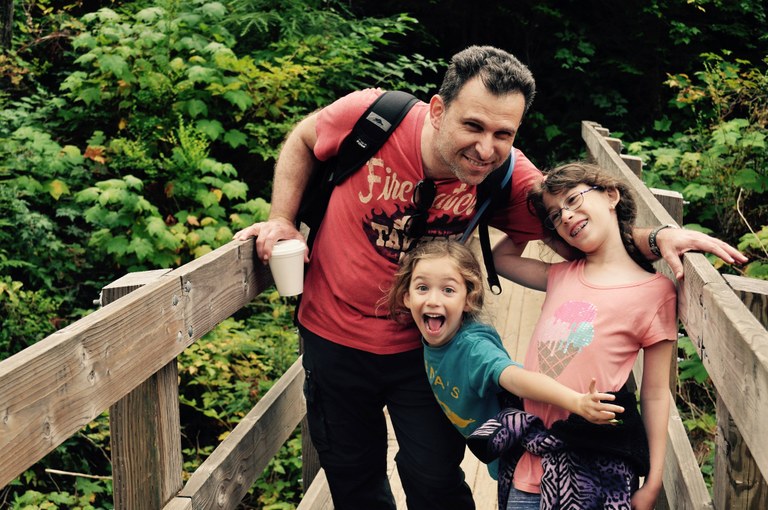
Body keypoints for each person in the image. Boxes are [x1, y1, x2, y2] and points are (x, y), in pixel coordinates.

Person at [233, 45, 745, 510]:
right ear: (437, 110)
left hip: (430, 351)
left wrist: (655, 240)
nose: (486, 148)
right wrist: (282, 217)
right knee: (352, 476)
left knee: (433, 477)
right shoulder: (373, 117)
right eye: (473, 127)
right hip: (332, 336)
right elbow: (304, 139)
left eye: (504, 134)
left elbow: (581, 228)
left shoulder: (508, 176)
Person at [468, 162, 678, 510]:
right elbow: (499, 257)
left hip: (592, 466)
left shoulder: (657, 292)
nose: (565, 215)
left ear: (611, 195)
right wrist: (545, 229)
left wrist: (654, 479)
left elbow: (656, 393)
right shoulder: (561, 274)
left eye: (573, 199)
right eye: (555, 214)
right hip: (531, 456)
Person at [385, 238, 625, 479]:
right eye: (422, 288)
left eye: (448, 290)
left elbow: (516, 377)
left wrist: (577, 402)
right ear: (407, 297)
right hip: (502, 457)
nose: (433, 300)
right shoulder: (433, 335)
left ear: (469, 299)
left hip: (527, 459)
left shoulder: (473, 350)